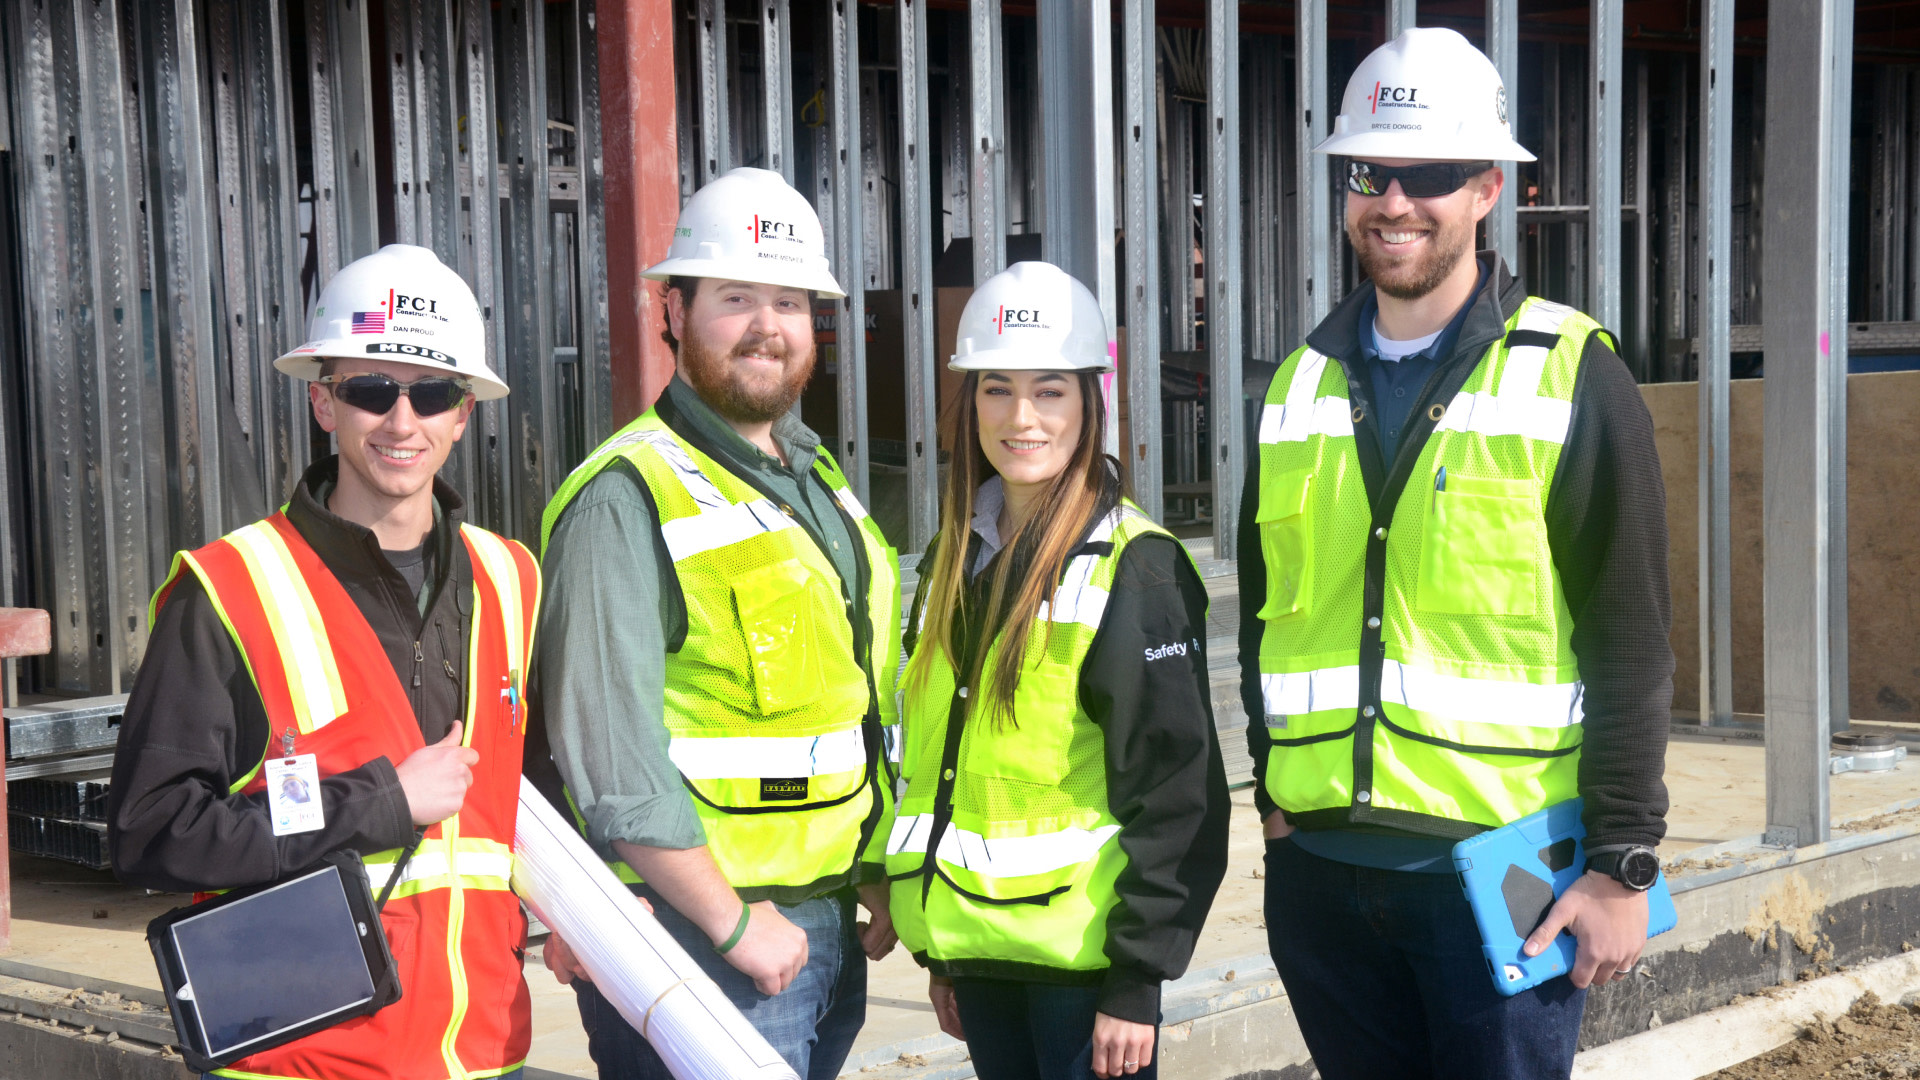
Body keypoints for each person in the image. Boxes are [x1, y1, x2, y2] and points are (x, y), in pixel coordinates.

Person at [1238, 26, 1673, 1080]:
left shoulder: (1571, 372)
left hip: (1500, 872)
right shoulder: (1297, 384)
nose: (1393, 201)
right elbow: (1262, 611)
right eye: (1368, 173)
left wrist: (1621, 863)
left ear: (1486, 187)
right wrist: (1276, 802)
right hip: (1324, 878)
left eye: (1426, 173)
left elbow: (1631, 633)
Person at [108, 244, 541, 1079]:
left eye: (433, 392)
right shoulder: (229, 588)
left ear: (464, 413)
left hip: (485, 1054)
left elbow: (536, 798)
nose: (402, 421)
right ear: (323, 404)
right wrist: (382, 802)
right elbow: (150, 830)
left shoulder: (511, 578)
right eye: (371, 391)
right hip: (303, 1061)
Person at [531, 166, 901, 1080]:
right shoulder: (624, 498)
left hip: (822, 920)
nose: (768, 326)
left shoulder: (819, 482)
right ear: (674, 308)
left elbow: (847, 701)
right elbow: (610, 758)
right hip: (708, 938)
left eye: (789, 300)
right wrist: (731, 923)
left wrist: (875, 870)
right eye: (736, 298)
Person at [883, 262, 1231, 1080]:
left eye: (1050, 391)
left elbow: (1180, 793)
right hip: (981, 958)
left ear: (1090, 405)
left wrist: (1138, 979)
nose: (1021, 418)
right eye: (996, 389)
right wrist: (945, 953)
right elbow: (944, 764)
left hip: (1085, 977)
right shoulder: (950, 557)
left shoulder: (1134, 568)